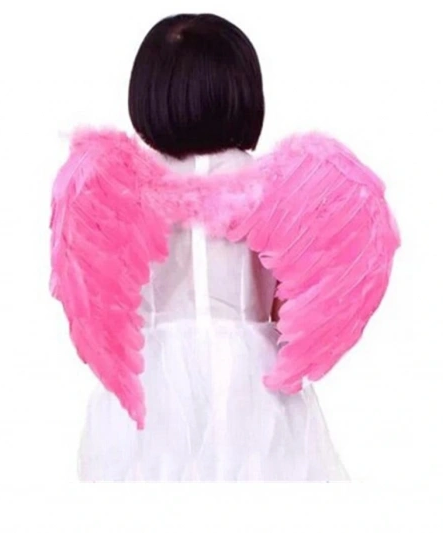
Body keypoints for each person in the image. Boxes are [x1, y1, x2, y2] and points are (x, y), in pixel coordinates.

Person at [74, 13, 350, 482]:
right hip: (252, 383)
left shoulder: (122, 188)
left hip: (148, 380)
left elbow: (101, 298)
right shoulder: (273, 184)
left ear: (150, 92)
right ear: (241, 89)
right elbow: (291, 308)